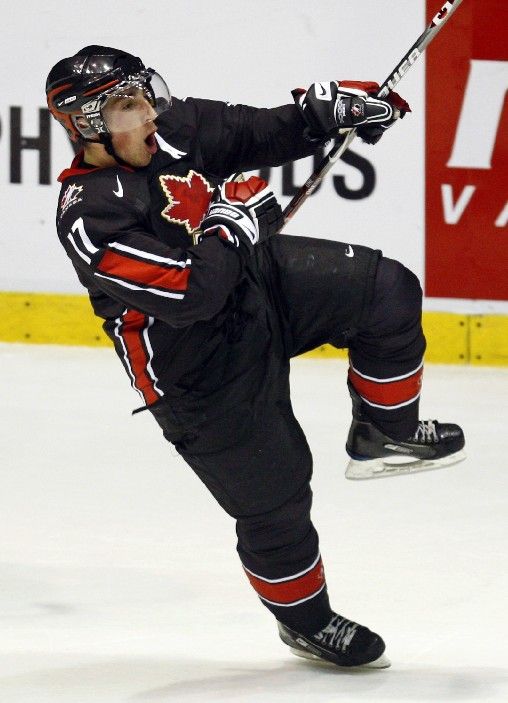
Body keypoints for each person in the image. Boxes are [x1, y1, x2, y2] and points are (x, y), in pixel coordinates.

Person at [46, 46, 465, 669]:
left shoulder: (172, 129)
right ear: (88, 124)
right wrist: (231, 225)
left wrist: (327, 114)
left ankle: (385, 431)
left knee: (386, 289)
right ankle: (306, 622)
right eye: (130, 105)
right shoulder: (90, 217)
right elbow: (191, 297)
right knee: (277, 504)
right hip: (197, 370)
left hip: (254, 283)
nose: (151, 112)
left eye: (145, 95)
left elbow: (252, 132)